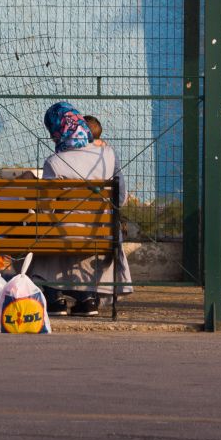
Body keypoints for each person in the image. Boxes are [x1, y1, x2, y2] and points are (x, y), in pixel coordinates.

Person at [29, 101, 130, 317]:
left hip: (62, 235)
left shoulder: (54, 162)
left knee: (47, 232)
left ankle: (54, 296)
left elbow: (46, 209)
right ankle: (88, 298)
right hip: (101, 233)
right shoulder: (108, 154)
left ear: (57, 130)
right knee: (84, 233)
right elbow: (120, 199)